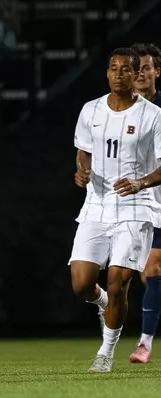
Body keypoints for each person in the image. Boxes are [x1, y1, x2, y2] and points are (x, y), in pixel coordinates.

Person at [70, 47, 161, 373]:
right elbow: (84, 151)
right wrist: (82, 170)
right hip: (97, 205)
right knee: (81, 284)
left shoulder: (153, 115)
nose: (118, 74)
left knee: (118, 281)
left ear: (136, 74)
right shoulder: (90, 110)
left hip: (136, 207)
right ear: (107, 73)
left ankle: (105, 352)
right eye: (113, 68)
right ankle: (104, 305)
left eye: (125, 69)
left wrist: (140, 182)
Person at [128, 42, 161, 364]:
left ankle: (144, 344)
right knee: (147, 275)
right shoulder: (119, 109)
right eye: (135, 68)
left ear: (157, 72)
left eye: (146, 68)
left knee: (153, 268)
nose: (140, 74)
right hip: (139, 204)